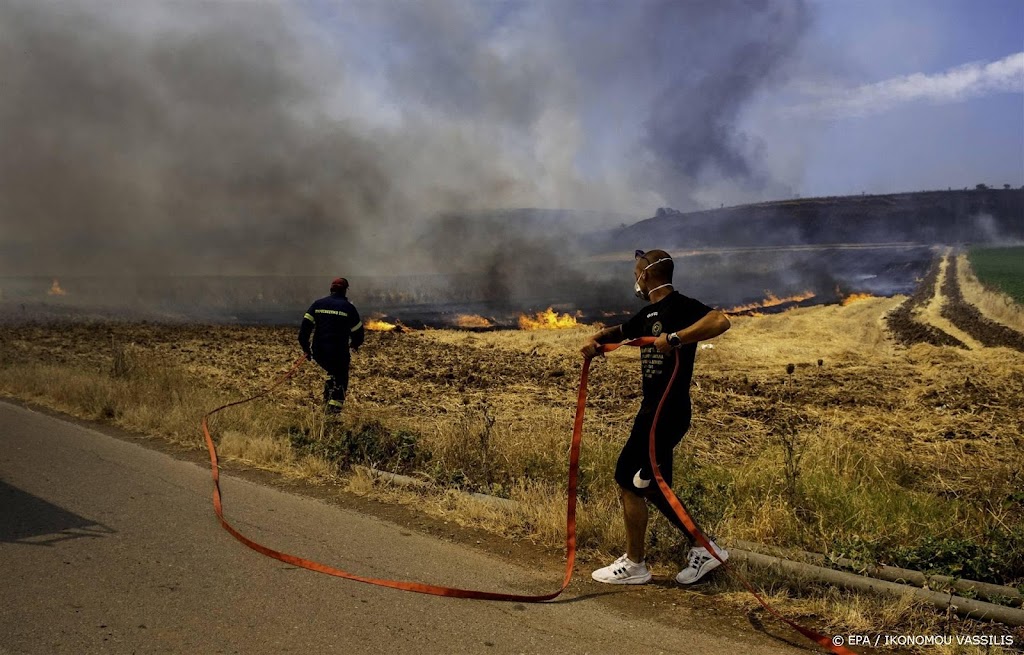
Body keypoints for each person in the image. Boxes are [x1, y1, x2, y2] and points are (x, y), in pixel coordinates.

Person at [581, 249, 731, 586]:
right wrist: (597, 340)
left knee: (626, 478)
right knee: (653, 488)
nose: (634, 279)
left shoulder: (680, 307)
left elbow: (720, 320)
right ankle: (704, 548)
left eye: (636, 272)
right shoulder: (648, 314)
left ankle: (635, 564)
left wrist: (676, 338)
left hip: (667, 410)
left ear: (645, 275)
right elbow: (622, 331)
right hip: (655, 410)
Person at [299, 277, 364, 414]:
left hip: (319, 352)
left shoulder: (318, 304)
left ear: (331, 289)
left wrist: (306, 347)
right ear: (345, 291)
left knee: (333, 373)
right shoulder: (348, 308)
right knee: (341, 378)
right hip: (338, 353)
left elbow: (305, 327)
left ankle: (327, 403)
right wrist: (355, 344)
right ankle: (333, 413)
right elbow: (358, 332)